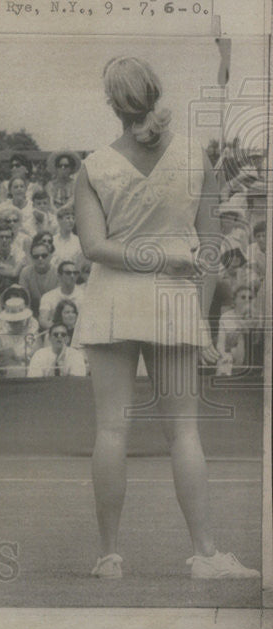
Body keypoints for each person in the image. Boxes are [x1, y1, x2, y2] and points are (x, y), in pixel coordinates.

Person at [74, 56, 257, 579]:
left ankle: (109, 557)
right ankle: (204, 554)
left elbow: (95, 247)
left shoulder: (93, 167)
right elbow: (211, 246)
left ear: (113, 104)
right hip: (173, 299)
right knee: (184, 433)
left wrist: (161, 267)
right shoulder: (193, 155)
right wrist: (188, 298)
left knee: (112, 431)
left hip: (116, 301)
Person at [38, 260, 85, 329]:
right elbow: (43, 320)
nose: (72, 275)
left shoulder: (84, 295)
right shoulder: (48, 297)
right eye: (68, 273)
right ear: (59, 276)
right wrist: (61, 330)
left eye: (75, 273)